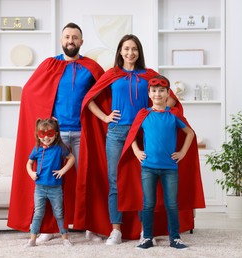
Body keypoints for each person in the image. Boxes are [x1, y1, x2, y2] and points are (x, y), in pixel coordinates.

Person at [73, 34, 180, 245]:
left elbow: (171, 100)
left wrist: (156, 114)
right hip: (116, 133)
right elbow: (89, 99)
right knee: (114, 181)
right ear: (120, 52)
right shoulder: (112, 74)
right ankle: (116, 230)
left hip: (142, 133)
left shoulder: (149, 75)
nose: (130, 53)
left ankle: (144, 231)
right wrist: (105, 117)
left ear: (139, 52)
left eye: (134, 49)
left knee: (143, 182)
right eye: (126, 49)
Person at [8, 22, 104, 243]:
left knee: (89, 180)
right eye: (67, 37)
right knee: (48, 180)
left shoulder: (91, 67)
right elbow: (32, 92)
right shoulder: (50, 65)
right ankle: (49, 228)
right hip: (54, 138)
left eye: (75, 37)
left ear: (81, 42)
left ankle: (92, 226)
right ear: (62, 41)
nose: (71, 41)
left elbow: (105, 93)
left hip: (82, 134)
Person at [127, 75, 195, 249]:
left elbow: (190, 133)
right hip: (148, 167)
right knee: (148, 204)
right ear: (149, 94)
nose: (158, 94)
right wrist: (136, 151)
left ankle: (175, 238)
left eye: (161, 91)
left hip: (170, 168)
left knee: (171, 204)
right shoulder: (143, 114)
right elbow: (131, 135)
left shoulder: (174, 115)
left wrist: (182, 152)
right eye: (154, 91)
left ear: (167, 94)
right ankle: (147, 237)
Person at [26, 118, 75, 247]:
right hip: (40, 188)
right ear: (38, 134)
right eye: (42, 134)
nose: (46, 138)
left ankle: (65, 238)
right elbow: (29, 163)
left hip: (55, 188)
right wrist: (31, 173)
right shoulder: (37, 149)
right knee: (38, 214)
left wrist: (63, 170)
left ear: (56, 134)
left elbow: (71, 158)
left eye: (49, 134)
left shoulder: (60, 148)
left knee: (59, 213)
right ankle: (32, 240)